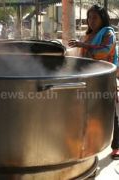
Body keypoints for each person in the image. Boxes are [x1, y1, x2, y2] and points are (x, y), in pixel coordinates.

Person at [68, 4, 119, 160]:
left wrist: (83, 45)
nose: (91, 20)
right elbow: (84, 56)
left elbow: (102, 51)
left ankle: (116, 146)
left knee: (110, 111)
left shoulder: (108, 33)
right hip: (89, 77)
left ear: (103, 18)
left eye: (94, 17)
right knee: (88, 111)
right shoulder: (88, 35)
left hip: (105, 77)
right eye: (89, 17)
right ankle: (88, 144)